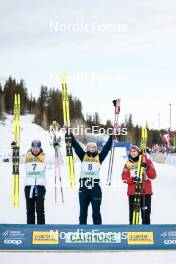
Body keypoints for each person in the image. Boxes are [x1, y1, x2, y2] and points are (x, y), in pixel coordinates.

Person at [70, 133, 113, 225]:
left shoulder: (99, 157)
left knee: (96, 213)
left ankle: (97, 231)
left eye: (93, 147)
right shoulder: (83, 156)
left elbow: (107, 148)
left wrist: (113, 134)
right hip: (83, 187)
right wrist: (68, 132)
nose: (92, 149)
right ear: (87, 148)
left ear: (96, 148)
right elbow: (75, 145)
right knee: (82, 212)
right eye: (90, 147)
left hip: (95, 187)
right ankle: (82, 231)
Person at [122, 145, 157, 225]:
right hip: (133, 193)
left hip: (145, 192)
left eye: (134, 151)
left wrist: (147, 168)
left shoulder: (147, 161)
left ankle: (146, 233)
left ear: (138, 152)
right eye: (131, 151)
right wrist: (133, 179)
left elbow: (153, 176)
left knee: (146, 215)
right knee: (133, 215)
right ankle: (133, 232)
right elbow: (124, 178)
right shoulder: (128, 164)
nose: (132, 153)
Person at [24, 140, 47, 224]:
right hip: (29, 186)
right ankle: (30, 230)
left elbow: (59, 161)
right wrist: (13, 149)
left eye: (37, 147)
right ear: (31, 147)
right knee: (30, 210)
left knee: (40, 211)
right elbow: (13, 160)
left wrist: (57, 149)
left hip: (40, 187)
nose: (35, 149)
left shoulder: (44, 157)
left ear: (40, 147)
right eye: (34, 147)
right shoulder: (27, 156)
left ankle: (41, 230)